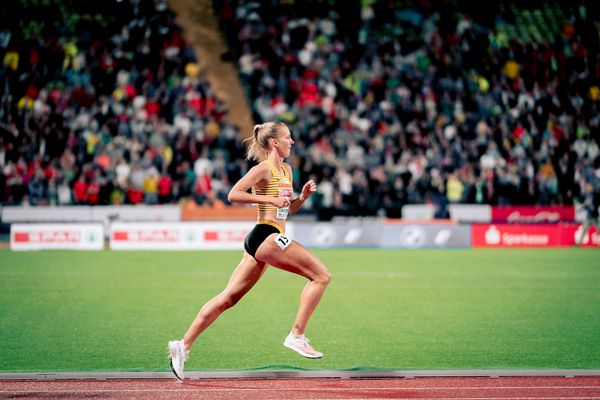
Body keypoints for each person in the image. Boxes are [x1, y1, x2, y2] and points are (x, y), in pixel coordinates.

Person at [167, 121, 332, 381]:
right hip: (264, 235)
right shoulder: (263, 169)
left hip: (266, 239)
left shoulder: (287, 170)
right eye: (288, 137)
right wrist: (268, 199)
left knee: (228, 298)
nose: (292, 141)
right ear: (275, 142)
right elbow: (234, 194)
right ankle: (296, 335)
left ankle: (182, 345)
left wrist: (302, 197)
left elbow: (287, 211)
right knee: (321, 276)